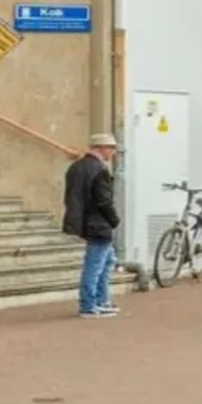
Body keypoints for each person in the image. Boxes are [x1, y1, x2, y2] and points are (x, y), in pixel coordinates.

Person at [63, 133, 121, 317]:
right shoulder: (99, 169)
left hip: (85, 221)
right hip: (99, 223)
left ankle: (101, 300)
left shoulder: (76, 167)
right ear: (101, 147)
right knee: (95, 265)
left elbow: (71, 196)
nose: (112, 152)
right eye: (111, 148)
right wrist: (114, 220)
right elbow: (104, 201)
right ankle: (90, 304)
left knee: (106, 260)